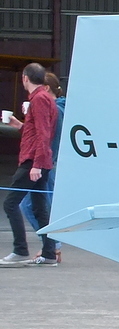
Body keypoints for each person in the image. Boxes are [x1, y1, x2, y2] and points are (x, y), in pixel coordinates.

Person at [2, 62, 60, 266]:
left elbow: (44, 134)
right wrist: (19, 125)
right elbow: (37, 131)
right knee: (39, 208)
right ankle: (50, 253)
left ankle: (20, 249)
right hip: (40, 160)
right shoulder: (42, 98)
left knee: (10, 203)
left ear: (25, 78)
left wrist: (36, 164)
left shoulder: (39, 100)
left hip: (33, 161)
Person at [19, 72, 66, 261]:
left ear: (46, 89)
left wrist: (41, 163)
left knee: (30, 205)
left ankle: (52, 244)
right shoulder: (58, 108)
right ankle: (52, 245)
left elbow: (48, 137)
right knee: (41, 205)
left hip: (47, 164)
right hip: (49, 163)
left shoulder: (55, 109)